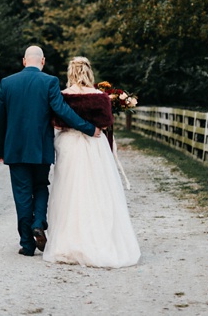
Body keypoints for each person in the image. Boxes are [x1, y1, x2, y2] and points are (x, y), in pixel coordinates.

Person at [0, 45, 101, 257]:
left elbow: (1, 119)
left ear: (24, 61)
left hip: (15, 149)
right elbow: (62, 110)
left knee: (22, 194)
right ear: (42, 62)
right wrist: (89, 128)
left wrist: (1, 149)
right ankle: (39, 222)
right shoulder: (50, 82)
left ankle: (27, 244)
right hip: (40, 148)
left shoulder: (7, 83)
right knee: (41, 186)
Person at [42, 56, 140, 268]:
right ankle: (98, 239)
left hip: (68, 144)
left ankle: (67, 242)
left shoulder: (63, 96)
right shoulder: (100, 97)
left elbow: (57, 124)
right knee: (96, 190)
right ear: (89, 72)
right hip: (93, 144)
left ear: (71, 72)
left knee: (69, 191)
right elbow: (105, 124)